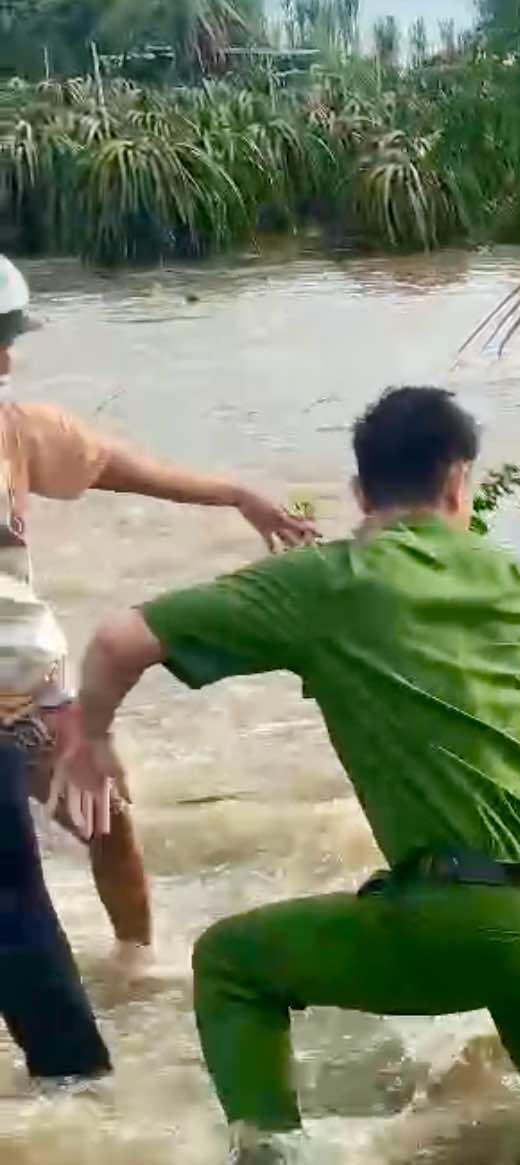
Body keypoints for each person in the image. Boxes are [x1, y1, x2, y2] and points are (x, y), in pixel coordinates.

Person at [54, 386, 520, 1159]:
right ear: (458, 482)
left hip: (462, 919)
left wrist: (92, 737)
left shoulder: (329, 581)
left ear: (359, 493)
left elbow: (116, 638)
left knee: (231, 964)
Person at [0, 254, 313, 1084]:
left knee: (110, 816)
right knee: (15, 903)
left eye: (8, 340)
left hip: (30, 685)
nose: (4, 360)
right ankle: (76, 1085)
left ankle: (135, 963)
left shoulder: (15, 429)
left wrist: (235, 493)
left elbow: (116, 466)